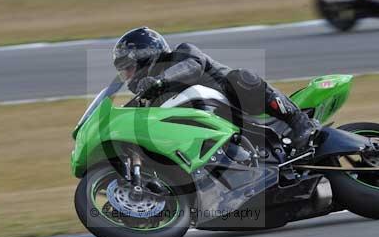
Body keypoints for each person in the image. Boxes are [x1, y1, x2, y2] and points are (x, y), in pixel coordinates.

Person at [112, 27, 319, 152]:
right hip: (215, 132)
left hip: (236, 106)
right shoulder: (151, 96)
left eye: (128, 68)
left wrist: (160, 79)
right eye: (124, 72)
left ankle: (298, 121)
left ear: (145, 56)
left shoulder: (183, 53)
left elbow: (193, 66)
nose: (127, 76)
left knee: (241, 78)